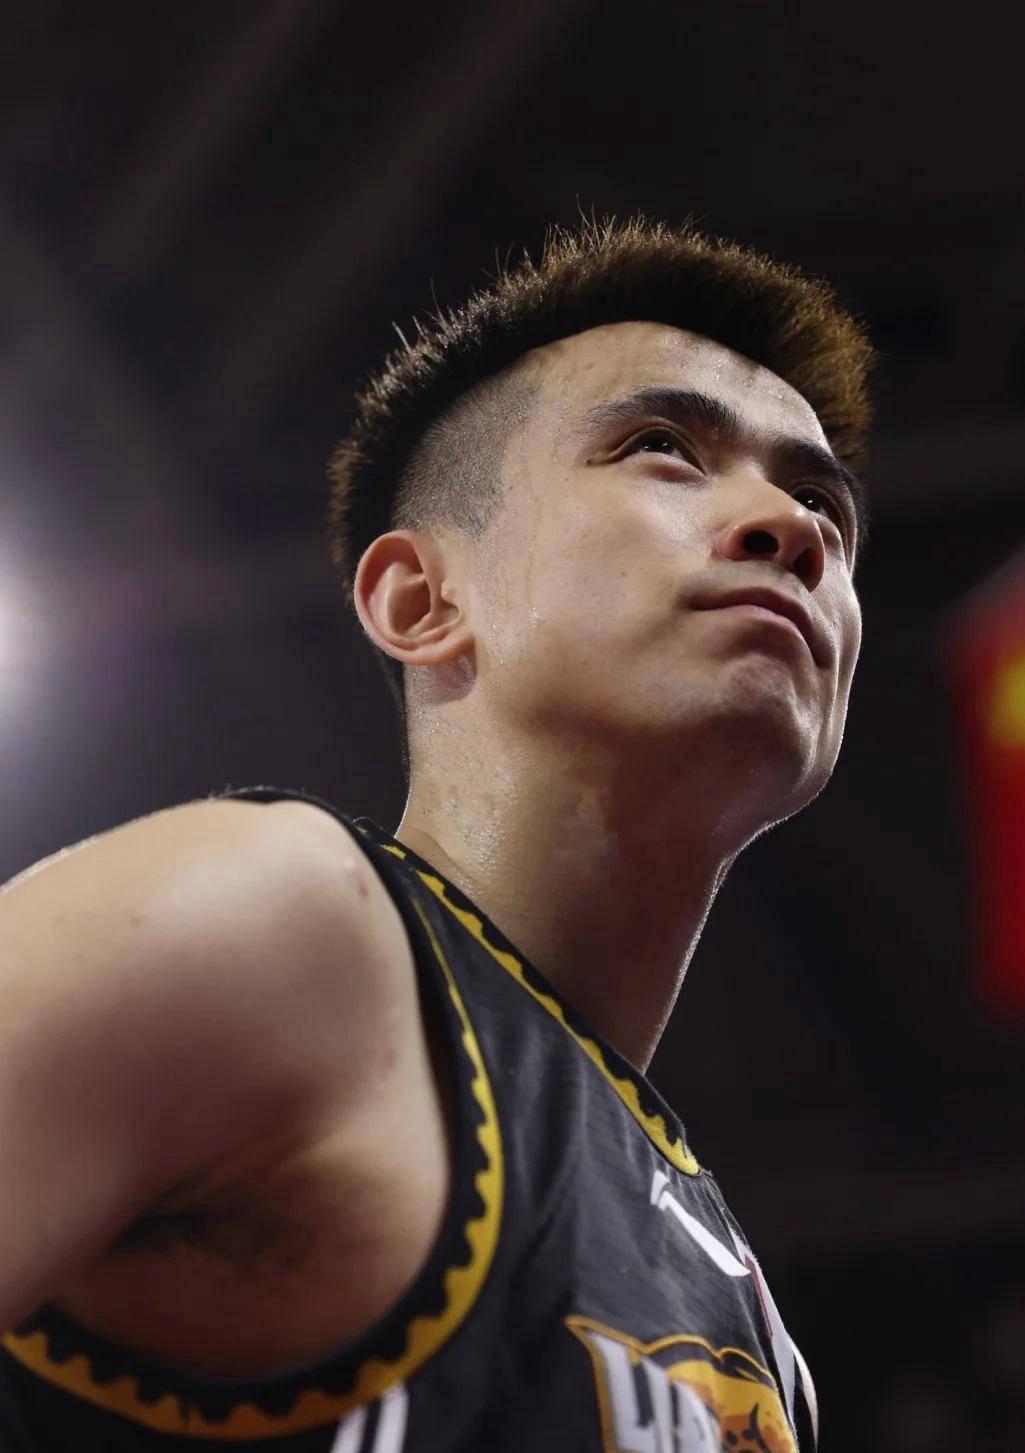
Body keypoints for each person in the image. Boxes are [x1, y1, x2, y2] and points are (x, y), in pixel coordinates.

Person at [0, 215, 875, 1451]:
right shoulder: (280, 913)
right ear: (420, 599)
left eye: (820, 502)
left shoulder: (763, 1346)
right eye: (663, 449)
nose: (790, 528)